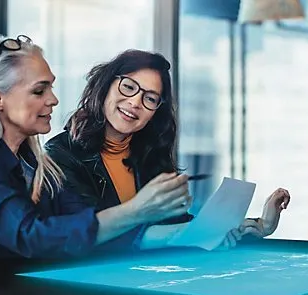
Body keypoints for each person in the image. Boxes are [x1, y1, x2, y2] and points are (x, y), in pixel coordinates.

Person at [0, 35, 221, 264]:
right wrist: (137, 210)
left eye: (51, 87)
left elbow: (92, 229)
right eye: (39, 91)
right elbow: (32, 236)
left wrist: (211, 231)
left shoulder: (36, 165)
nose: (53, 99)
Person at [44, 49, 291, 251]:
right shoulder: (60, 155)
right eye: (128, 87)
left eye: (150, 98)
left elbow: (180, 228)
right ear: (106, 85)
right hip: (87, 289)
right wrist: (189, 233)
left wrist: (254, 225)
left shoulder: (149, 155)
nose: (135, 103)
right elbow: (95, 234)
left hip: (148, 286)